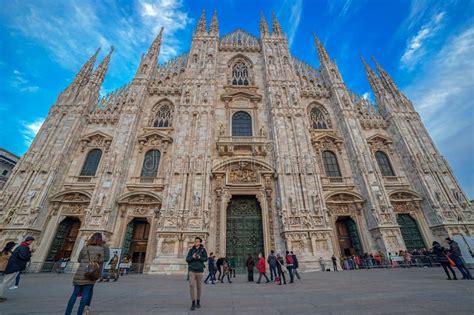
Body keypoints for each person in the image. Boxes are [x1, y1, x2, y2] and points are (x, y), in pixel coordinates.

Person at [65, 232, 108, 315]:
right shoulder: (100, 249)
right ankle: (80, 313)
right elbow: (101, 260)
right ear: (100, 240)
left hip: (80, 273)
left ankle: (67, 313)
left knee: (74, 295)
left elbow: (79, 259)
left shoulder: (85, 247)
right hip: (90, 274)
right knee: (85, 295)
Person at [0, 236, 34, 302]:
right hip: (14, 267)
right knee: (5, 282)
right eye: (31, 241)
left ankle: (0, 295)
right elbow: (23, 256)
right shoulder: (24, 247)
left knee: (6, 281)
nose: (31, 242)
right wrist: (30, 253)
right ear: (29, 241)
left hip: (13, 266)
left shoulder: (20, 247)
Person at [185, 237, 208, 311]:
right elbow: (187, 259)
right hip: (192, 270)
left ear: (200, 242)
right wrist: (192, 256)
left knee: (199, 287)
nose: (196, 242)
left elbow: (205, 259)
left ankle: (198, 301)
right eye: (195, 241)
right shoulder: (191, 250)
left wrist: (199, 257)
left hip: (200, 270)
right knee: (191, 285)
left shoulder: (203, 250)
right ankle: (193, 302)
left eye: (197, 241)